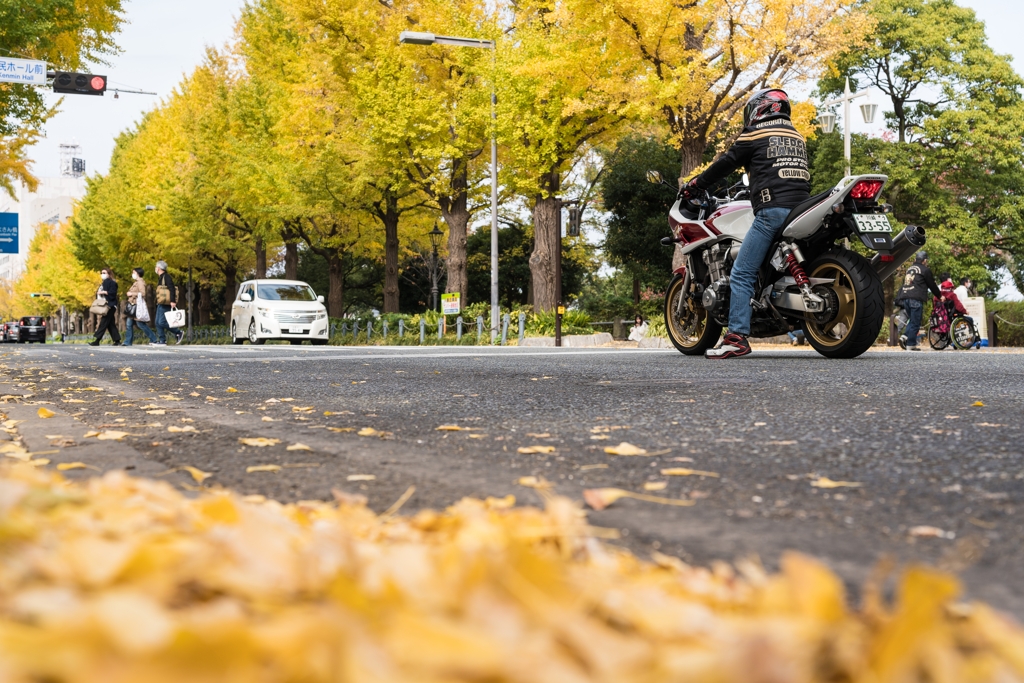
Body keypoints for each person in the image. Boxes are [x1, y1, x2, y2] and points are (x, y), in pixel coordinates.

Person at [681, 89, 812, 359]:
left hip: (772, 210)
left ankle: (736, 337)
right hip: (801, 209)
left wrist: (696, 184)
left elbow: (725, 164)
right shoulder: (796, 136)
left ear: (759, 109)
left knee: (741, 273)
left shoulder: (755, 133)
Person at [895, 251, 943, 351]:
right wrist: (939, 296)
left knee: (912, 320)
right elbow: (932, 285)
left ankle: (904, 336)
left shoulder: (910, 269)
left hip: (905, 298)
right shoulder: (925, 270)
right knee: (916, 322)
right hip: (915, 298)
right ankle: (911, 344)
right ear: (924, 260)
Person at [124, 267, 159, 346]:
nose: (132, 274)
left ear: (138, 273)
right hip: (132, 305)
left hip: (137, 306)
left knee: (140, 324)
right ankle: (128, 342)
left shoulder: (140, 282)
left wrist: (131, 294)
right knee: (129, 324)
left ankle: (153, 339)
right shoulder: (136, 282)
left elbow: (143, 293)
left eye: (134, 272)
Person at [89, 268, 121, 347]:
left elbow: (113, 293)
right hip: (106, 305)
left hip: (109, 306)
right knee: (110, 324)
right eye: (101, 272)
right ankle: (117, 340)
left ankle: (97, 340)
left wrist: (104, 292)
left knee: (103, 322)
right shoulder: (103, 283)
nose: (102, 274)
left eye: (104, 272)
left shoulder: (111, 283)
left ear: (109, 274)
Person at [154, 260, 183, 345]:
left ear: (158, 268)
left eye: (156, 267)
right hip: (160, 303)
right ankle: (162, 340)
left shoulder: (166, 277)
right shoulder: (161, 277)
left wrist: (173, 301)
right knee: (157, 322)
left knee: (162, 322)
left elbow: (172, 288)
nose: (155, 269)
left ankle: (178, 332)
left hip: (166, 303)